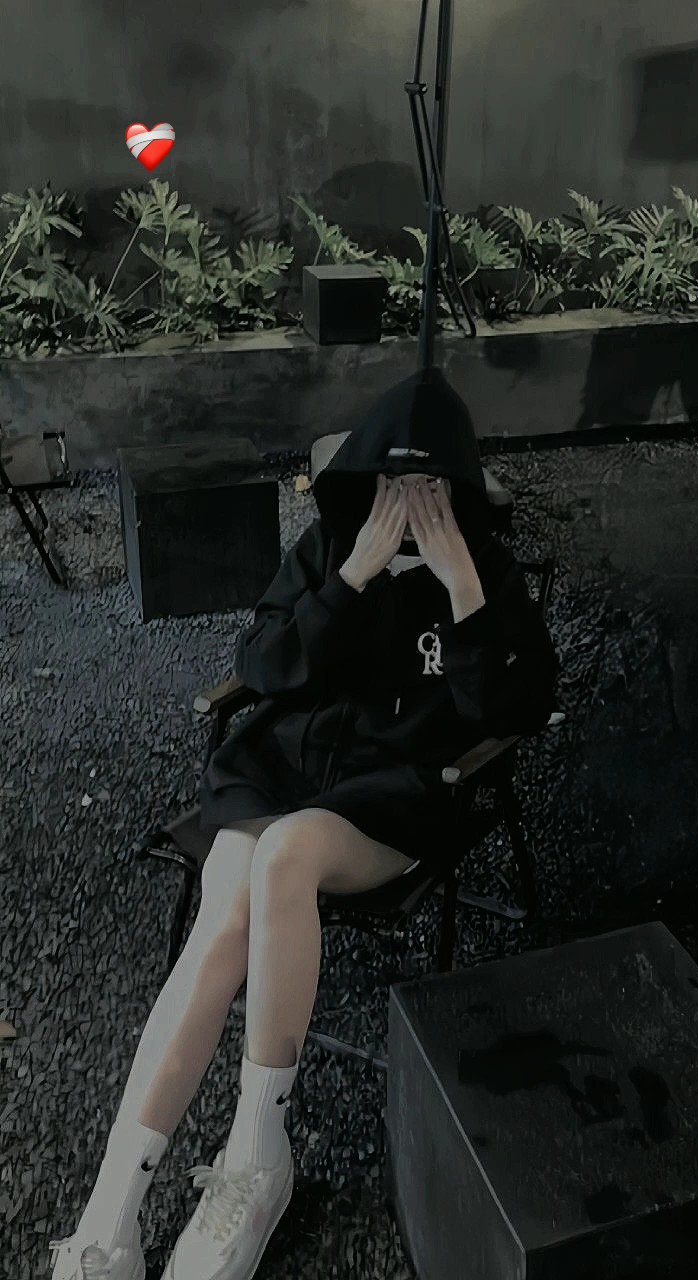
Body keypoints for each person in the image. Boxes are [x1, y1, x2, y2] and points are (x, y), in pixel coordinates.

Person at [50, 368, 558, 1280]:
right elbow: (263, 663)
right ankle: (110, 1217)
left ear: (459, 486)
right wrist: (354, 576)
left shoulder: (488, 572)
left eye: (431, 486)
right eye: (395, 483)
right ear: (367, 479)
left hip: (389, 798)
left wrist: (463, 592)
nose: (411, 505)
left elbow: (513, 709)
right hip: (281, 771)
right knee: (220, 922)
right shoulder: (331, 549)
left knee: (282, 856)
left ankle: (258, 1159)